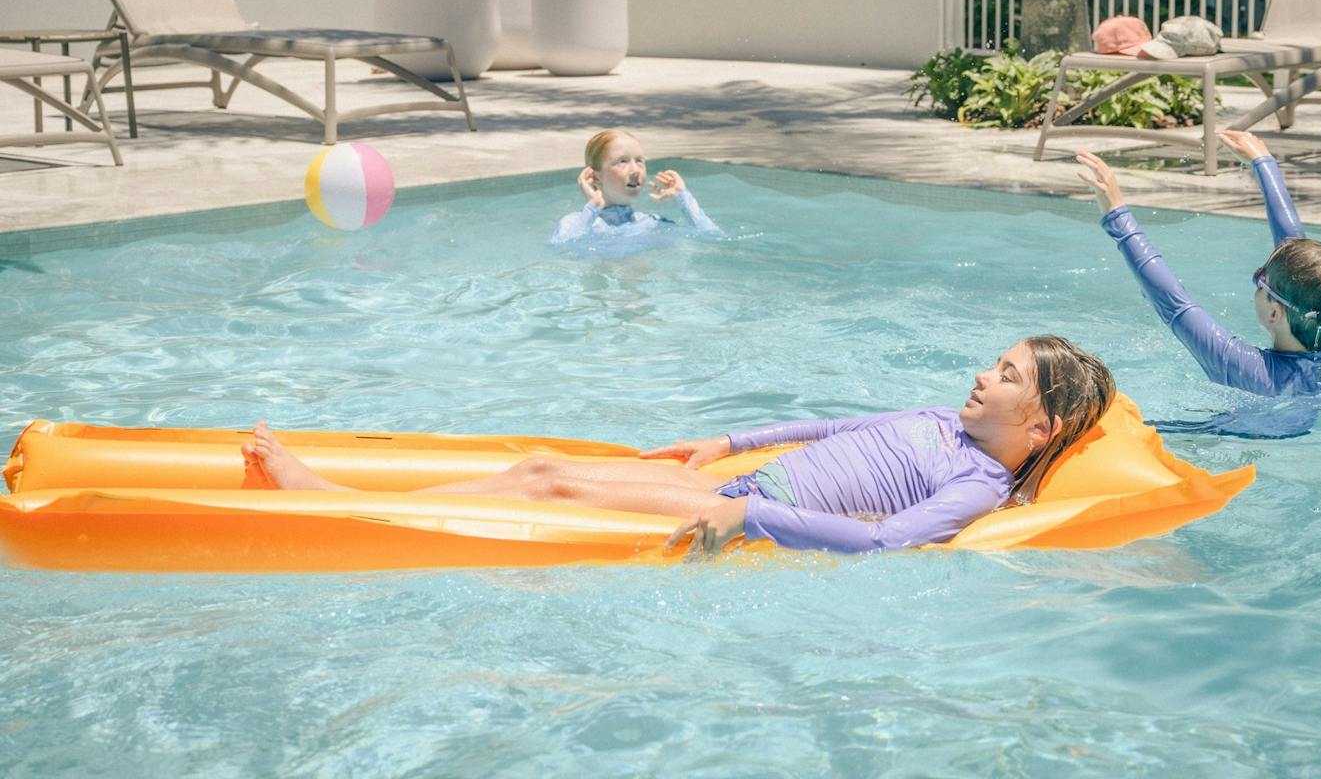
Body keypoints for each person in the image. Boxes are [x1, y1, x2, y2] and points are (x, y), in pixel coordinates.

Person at [240, 335, 1117, 557]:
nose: (981, 377)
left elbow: (888, 542)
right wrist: (729, 437)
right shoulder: (940, 419)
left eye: (1005, 376)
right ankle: (347, 493)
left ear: (1038, 429)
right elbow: (839, 426)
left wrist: (748, 517)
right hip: (748, 475)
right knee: (534, 467)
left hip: (753, 508)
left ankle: (329, 501)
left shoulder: (977, 485)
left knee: (548, 485)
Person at [1077, 130, 1321, 400]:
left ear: (1274, 314)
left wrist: (1117, 215)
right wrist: (1263, 163)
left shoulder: (1249, 370)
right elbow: (1297, 249)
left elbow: (1174, 303)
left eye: (1260, 279)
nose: (1256, 282)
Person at [549, 129, 721, 245]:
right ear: (594, 176)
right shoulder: (576, 223)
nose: (635, 170)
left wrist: (683, 197)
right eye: (622, 161)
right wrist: (593, 207)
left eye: (639, 161)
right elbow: (562, 247)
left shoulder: (650, 223)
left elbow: (712, 237)